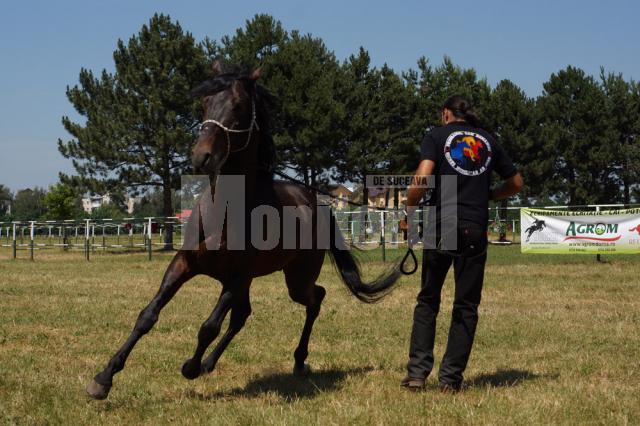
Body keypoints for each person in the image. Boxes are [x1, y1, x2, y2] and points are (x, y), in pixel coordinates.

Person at [401, 95, 523, 392]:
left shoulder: (436, 135)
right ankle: (450, 380)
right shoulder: (488, 140)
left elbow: (422, 178)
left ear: (446, 114)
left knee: (429, 299)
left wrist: (409, 208)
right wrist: (489, 196)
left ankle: (418, 374)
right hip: (474, 228)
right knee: (466, 305)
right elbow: (517, 183)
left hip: (442, 225)